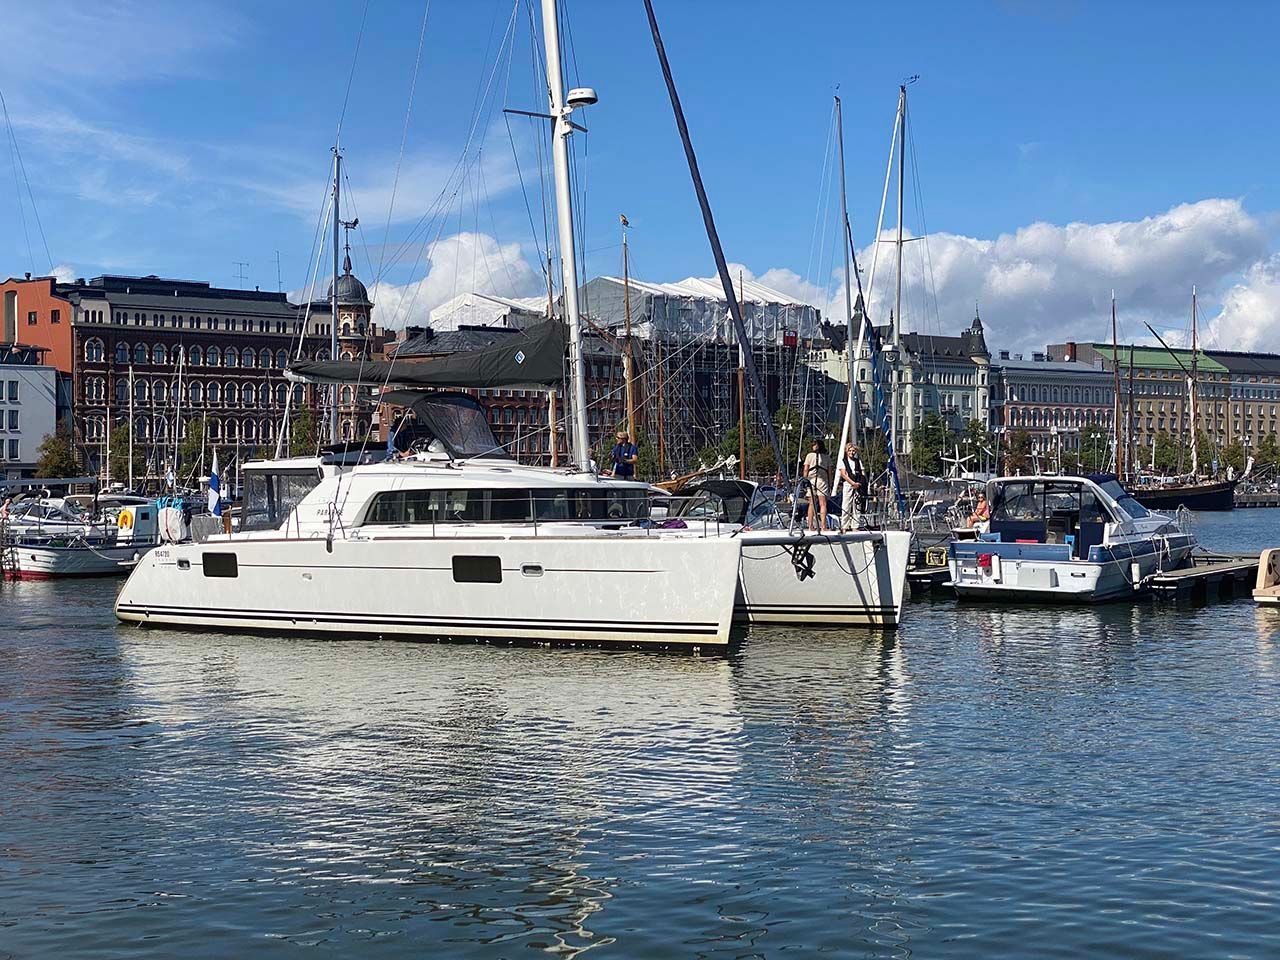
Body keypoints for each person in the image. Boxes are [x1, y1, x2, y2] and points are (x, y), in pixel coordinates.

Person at [837, 442, 867, 532]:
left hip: (858, 484)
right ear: (847, 451)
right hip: (848, 484)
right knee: (846, 505)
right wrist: (852, 483)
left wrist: (860, 483)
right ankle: (844, 526)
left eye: (853, 451)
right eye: (850, 451)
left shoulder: (857, 461)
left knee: (856, 505)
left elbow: (862, 472)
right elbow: (843, 474)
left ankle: (855, 526)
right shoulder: (843, 461)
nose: (852, 452)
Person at [803, 439, 831, 531]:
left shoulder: (809, 456)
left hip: (811, 481)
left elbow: (806, 469)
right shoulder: (826, 457)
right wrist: (830, 484)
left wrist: (804, 480)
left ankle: (810, 526)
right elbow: (829, 472)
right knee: (823, 504)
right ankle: (823, 526)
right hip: (822, 481)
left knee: (811, 504)